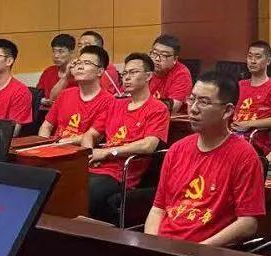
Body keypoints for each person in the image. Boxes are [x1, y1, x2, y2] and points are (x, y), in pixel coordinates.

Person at [145, 72, 266, 246]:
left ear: (227, 111)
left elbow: (247, 223)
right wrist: (151, 245)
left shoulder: (244, 156)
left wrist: (201, 250)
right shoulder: (176, 149)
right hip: (164, 247)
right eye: (192, 99)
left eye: (204, 102)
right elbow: (158, 209)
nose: (193, 108)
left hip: (204, 252)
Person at [81, 53, 170, 224]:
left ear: (148, 76)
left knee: (87, 192)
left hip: (121, 172)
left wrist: (108, 153)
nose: (127, 78)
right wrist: (91, 153)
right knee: (64, 182)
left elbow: (148, 145)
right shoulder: (116, 104)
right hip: (96, 165)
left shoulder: (157, 109)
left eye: (133, 72)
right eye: (125, 73)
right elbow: (90, 134)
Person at [38, 45, 113, 144]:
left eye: (87, 63)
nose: (80, 67)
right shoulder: (65, 94)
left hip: (80, 150)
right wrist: (43, 143)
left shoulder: (109, 101)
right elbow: (46, 126)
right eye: (78, 63)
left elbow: (94, 137)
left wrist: (59, 143)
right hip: (53, 147)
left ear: (99, 71)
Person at [231, 40, 271, 154]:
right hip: (232, 135)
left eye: (258, 57)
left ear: (268, 61)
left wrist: (248, 124)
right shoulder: (239, 85)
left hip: (255, 140)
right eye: (250, 56)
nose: (252, 61)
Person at [148, 34, 193, 113]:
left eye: (164, 55)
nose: (157, 59)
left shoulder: (182, 74)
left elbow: (172, 108)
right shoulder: (145, 69)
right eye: (154, 53)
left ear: (175, 59)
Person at [36, 33, 77, 105]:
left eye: (61, 51)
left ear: (71, 52)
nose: (56, 56)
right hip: (46, 110)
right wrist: (42, 100)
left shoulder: (78, 73)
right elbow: (37, 95)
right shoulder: (48, 71)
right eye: (54, 51)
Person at [79, 30, 122, 94]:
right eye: (80, 46)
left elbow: (108, 95)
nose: (82, 48)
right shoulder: (76, 67)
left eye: (87, 45)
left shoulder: (106, 69)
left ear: (99, 47)